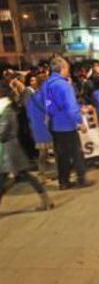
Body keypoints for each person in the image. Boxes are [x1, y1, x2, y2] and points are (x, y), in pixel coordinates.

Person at [0, 81, 54, 211]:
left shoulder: (6, 109)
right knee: (18, 177)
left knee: (19, 176)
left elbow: (2, 131)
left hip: (9, 151)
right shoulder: (7, 107)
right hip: (9, 150)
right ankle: (46, 200)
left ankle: (46, 200)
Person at [42, 56, 92, 190]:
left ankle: (63, 182)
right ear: (62, 68)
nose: (68, 71)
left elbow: (47, 104)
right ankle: (81, 179)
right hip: (66, 125)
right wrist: (79, 122)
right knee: (76, 152)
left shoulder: (47, 84)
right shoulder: (64, 85)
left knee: (62, 155)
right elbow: (71, 106)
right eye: (67, 68)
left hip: (54, 124)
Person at [26, 74, 55, 180]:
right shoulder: (46, 95)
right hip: (48, 127)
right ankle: (61, 172)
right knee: (58, 151)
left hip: (37, 128)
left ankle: (41, 175)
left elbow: (29, 113)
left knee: (42, 153)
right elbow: (51, 109)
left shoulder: (33, 97)